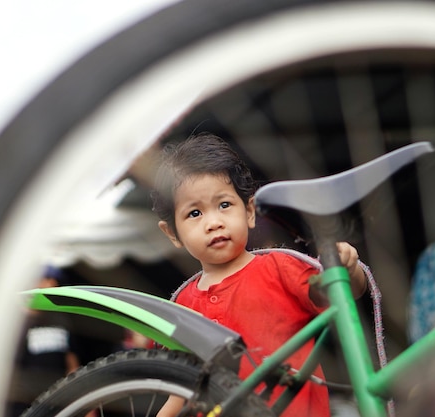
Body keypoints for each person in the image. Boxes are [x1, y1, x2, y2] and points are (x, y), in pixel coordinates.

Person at [151, 133, 371, 417]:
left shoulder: (280, 268)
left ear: (250, 211)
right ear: (172, 233)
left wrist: (348, 269)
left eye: (224, 205)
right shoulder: (180, 306)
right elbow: (179, 392)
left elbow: (343, 293)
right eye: (194, 213)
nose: (213, 223)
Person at [5, 266, 82, 417]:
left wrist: (81, 395)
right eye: (46, 278)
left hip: (57, 402)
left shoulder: (60, 319)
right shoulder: (11, 324)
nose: (51, 284)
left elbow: (71, 360)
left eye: (55, 281)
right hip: (22, 406)